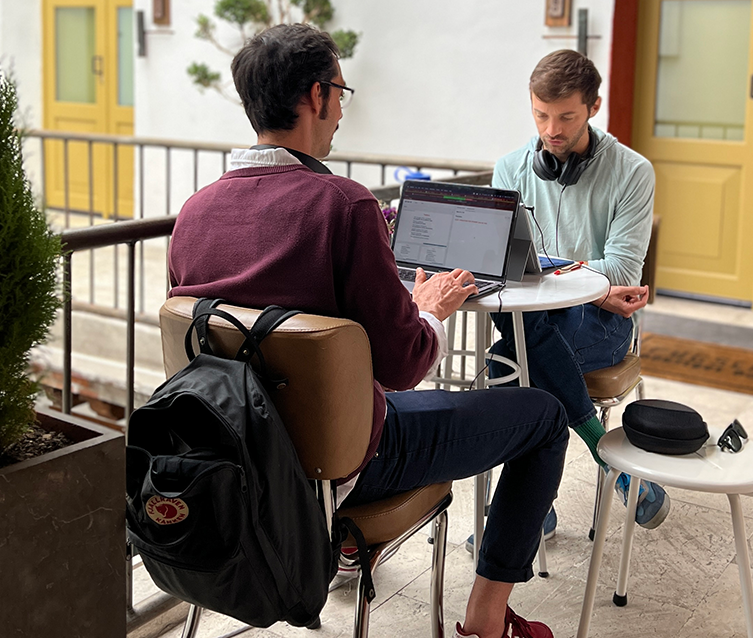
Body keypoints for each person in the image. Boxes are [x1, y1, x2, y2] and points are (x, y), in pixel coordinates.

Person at [168, 24, 568, 638]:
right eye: (340, 94)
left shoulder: (194, 213)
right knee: (542, 415)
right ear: (316, 95)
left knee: (385, 397)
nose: (340, 115)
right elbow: (405, 363)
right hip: (346, 460)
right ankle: (488, 620)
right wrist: (430, 306)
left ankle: (350, 549)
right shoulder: (342, 205)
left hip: (237, 455)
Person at [486, 50, 670, 538]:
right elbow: (503, 266)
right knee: (520, 345)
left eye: (566, 116)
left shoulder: (633, 172)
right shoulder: (509, 169)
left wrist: (562, 280)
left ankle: (530, 512)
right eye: (541, 115)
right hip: (550, 317)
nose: (552, 129)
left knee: (507, 361)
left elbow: (624, 271)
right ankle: (602, 451)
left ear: (593, 107)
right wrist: (592, 286)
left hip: (604, 326)